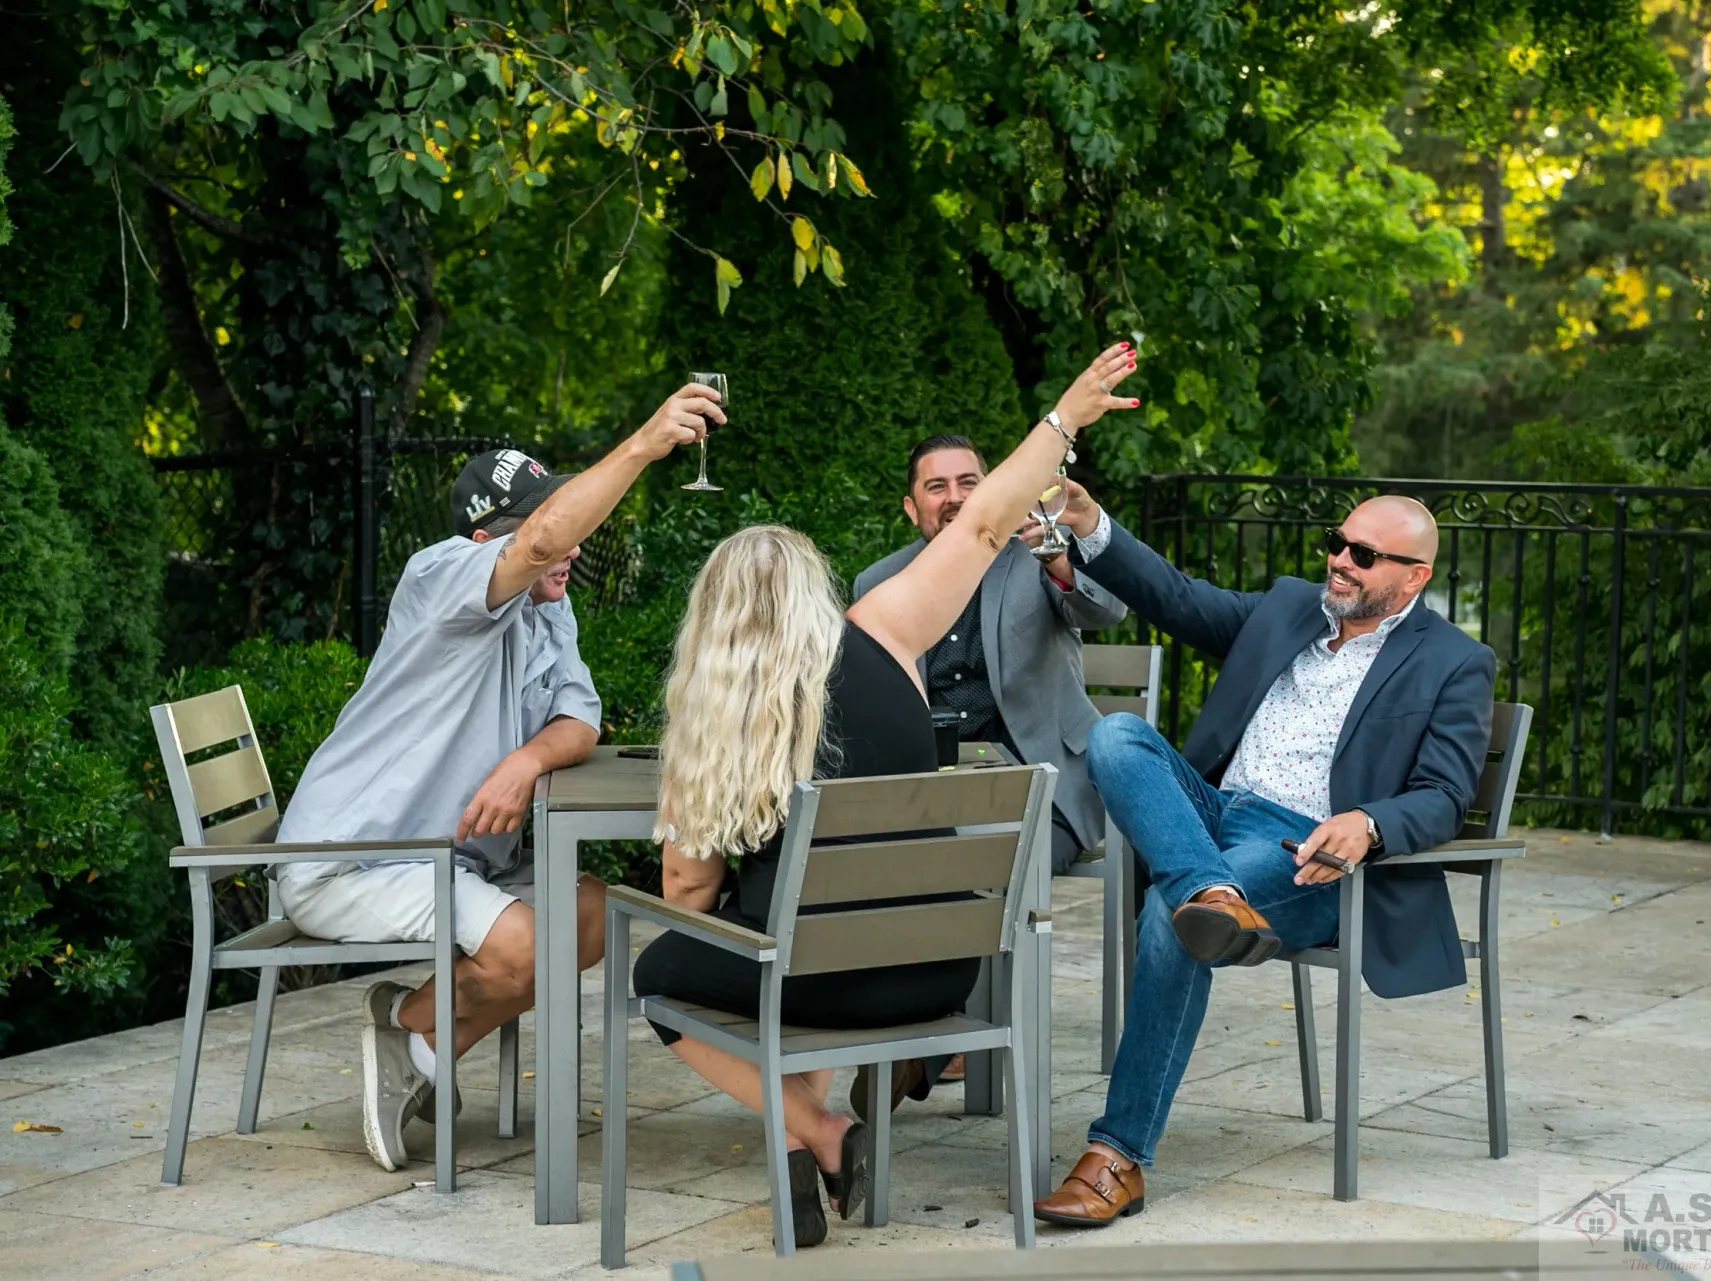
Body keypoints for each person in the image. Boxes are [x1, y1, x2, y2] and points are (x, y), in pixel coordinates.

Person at [630, 344, 1140, 1248]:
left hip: (814, 980)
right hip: (941, 969)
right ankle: (801, 1126)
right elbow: (983, 528)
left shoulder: (716, 725)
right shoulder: (885, 630)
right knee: (785, 945)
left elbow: (688, 897)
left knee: (668, 969)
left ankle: (816, 1126)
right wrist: (1063, 421)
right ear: (814, 593)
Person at [274, 383, 724, 1173]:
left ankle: (413, 1038)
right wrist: (648, 441)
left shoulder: (548, 607)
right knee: (522, 948)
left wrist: (527, 760)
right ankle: (412, 1036)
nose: (573, 544)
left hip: (449, 857)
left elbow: (580, 721)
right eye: (545, 528)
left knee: (588, 914)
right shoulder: (440, 575)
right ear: (486, 539)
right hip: (353, 858)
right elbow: (546, 541)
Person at [1029, 485, 1495, 1227]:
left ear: (1414, 576)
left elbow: (1444, 794)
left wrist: (1370, 822)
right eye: (1338, 543)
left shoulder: (1453, 661)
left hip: (1306, 851)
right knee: (1118, 734)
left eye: (1364, 556)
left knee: (1169, 912)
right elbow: (1176, 598)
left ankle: (1117, 1154)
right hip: (1213, 815)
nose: (1340, 563)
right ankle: (1209, 889)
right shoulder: (1289, 608)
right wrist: (1090, 527)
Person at [851, 434, 1129, 1114]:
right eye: (937, 486)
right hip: (932, 785)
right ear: (910, 506)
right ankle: (929, 1029)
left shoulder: (1034, 558)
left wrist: (1061, 557)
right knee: (865, 866)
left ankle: (925, 1038)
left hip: (1044, 781)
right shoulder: (876, 583)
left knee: (977, 865)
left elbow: (1105, 608)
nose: (955, 498)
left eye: (969, 482)